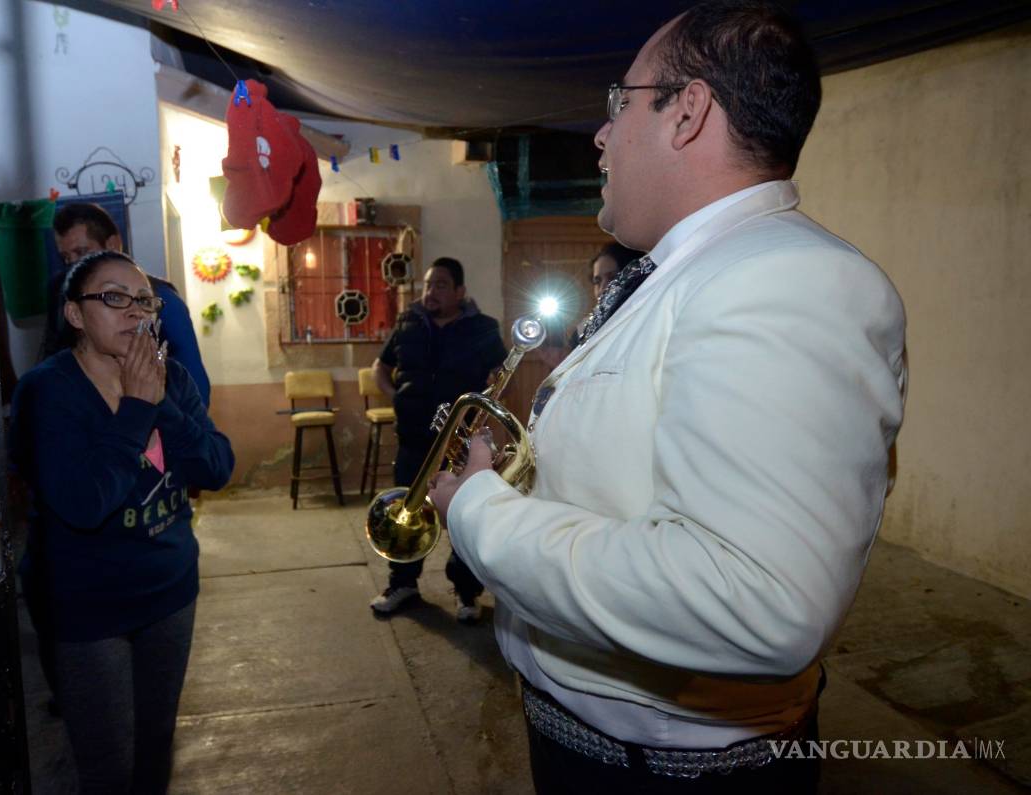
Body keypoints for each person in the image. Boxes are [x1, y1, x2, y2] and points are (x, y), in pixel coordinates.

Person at [430, 2, 907, 792]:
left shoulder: (784, 280)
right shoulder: (693, 272)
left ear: (688, 112)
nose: (601, 134)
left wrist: (481, 509)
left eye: (620, 103)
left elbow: (752, 597)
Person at [10, 250, 234, 793]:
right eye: (113, 297)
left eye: (143, 300)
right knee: (107, 763)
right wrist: (137, 407)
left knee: (157, 742)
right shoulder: (48, 392)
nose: (134, 311)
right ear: (75, 315)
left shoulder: (169, 376)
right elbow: (84, 504)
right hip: (90, 606)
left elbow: (217, 466)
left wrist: (162, 403)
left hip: (170, 593)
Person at [369, 257, 508, 623]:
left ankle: (466, 592)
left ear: (461, 291)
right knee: (406, 511)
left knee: (462, 515)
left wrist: (482, 414)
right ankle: (403, 584)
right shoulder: (408, 322)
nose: (431, 292)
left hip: (459, 446)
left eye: (441, 285)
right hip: (413, 438)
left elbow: (500, 373)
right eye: (429, 284)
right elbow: (380, 368)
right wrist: (395, 395)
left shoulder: (483, 328)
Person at [43, 202, 211, 406]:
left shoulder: (162, 297)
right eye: (66, 258)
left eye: (82, 252)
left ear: (113, 244)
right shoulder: (62, 296)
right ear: (74, 314)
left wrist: (174, 420)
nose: (74, 266)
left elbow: (195, 382)